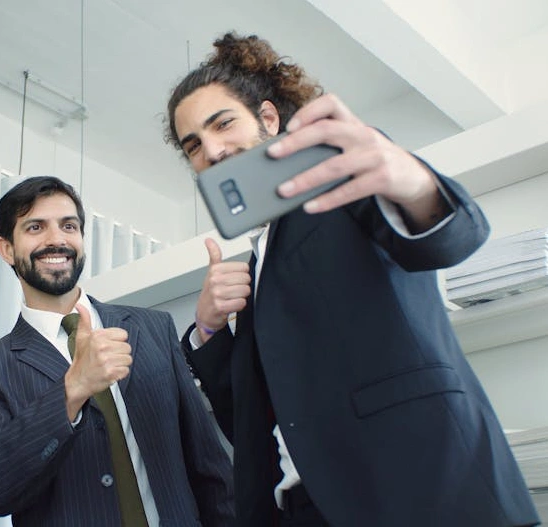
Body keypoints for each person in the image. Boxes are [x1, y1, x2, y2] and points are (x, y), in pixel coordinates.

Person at [165, 32, 539, 527]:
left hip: (415, 490)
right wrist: (209, 329)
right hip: (301, 507)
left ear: (269, 119)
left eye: (223, 124)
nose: (211, 150)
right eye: (193, 145)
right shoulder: (260, 262)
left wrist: (411, 180)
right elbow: (250, 421)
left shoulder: (345, 179)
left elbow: (454, 239)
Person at [0, 176, 235, 526]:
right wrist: (72, 389)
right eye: (35, 227)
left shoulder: (152, 329)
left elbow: (209, 464)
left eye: (68, 226)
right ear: (7, 249)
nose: (56, 239)